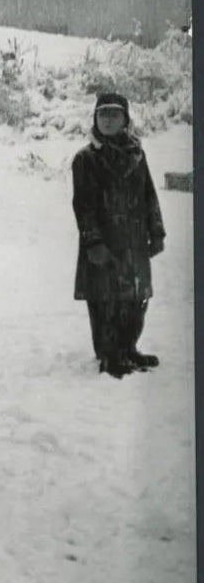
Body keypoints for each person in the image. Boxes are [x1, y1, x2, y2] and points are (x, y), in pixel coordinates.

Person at [71, 91, 166, 378]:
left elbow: (149, 194)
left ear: (125, 119)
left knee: (135, 298)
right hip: (104, 244)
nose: (108, 119)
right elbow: (83, 206)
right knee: (105, 299)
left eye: (114, 114)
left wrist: (156, 231)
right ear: (95, 119)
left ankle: (128, 348)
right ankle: (109, 355)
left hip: (135, 241)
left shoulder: (138, 154)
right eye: (103, 114)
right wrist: (93, 241)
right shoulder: (86, 159)